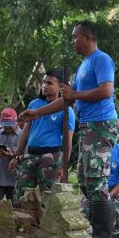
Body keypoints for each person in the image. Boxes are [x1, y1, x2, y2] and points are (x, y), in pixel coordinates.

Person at [20, 20, 119, 238]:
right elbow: (68, 100)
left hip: (102, 124)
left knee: (95, 180)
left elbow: (106, 90)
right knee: (84, 180)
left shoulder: (101, 59)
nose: (73, 41)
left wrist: (75, 95)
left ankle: (104, 235)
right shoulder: (83, 65)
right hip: (88, 125)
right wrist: (38, 113)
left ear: (87, 38)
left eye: (76, 37)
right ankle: (96, 229)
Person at [11, 69, 75, 203]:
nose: (44, 86)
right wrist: (17, 156)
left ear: (61, 87)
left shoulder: (67, 110)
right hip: (30, 156)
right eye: (44, 82)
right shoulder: (34, 105)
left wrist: (64, 167)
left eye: (50, 83)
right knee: (21, 196)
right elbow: (26, 132)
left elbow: (68, 141)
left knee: (48, 197)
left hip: (50, 158)